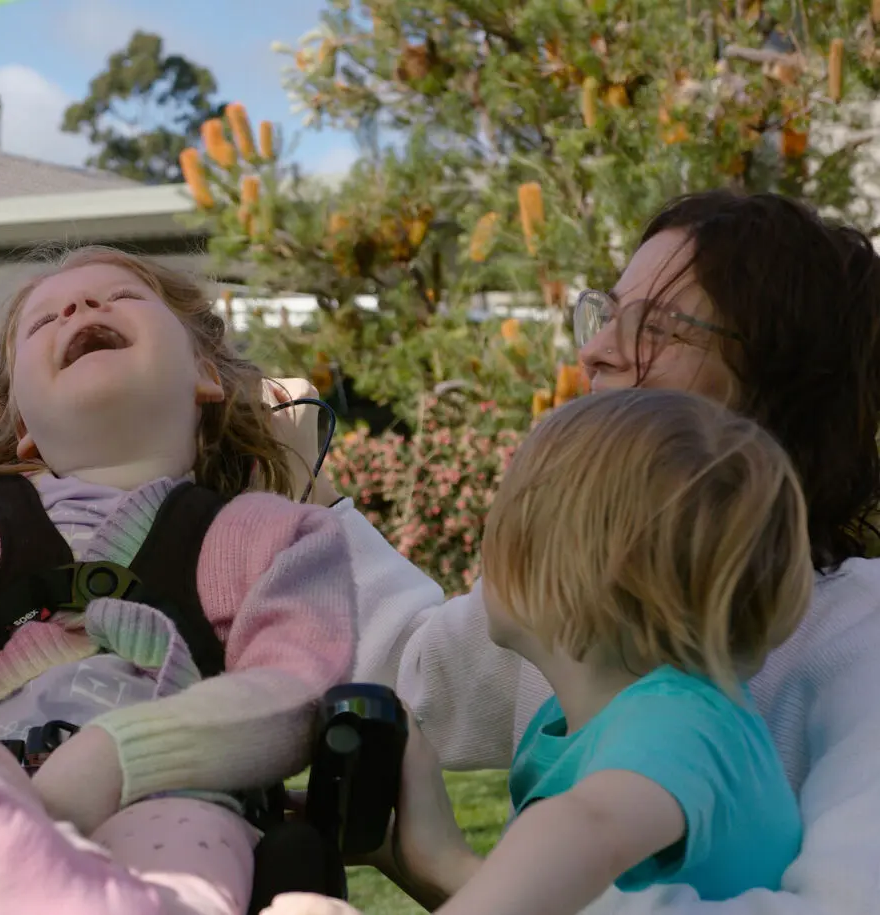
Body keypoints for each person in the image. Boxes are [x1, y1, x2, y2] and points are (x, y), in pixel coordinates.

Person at [302, 190, 880, 914]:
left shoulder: (829, 647)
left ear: (781, 378)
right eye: (605, 312)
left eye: (657, 328)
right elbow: (407, 665)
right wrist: (304, 501)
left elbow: (588, 828)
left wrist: (460, 872)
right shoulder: (587, 601)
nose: (594, 349)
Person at [0, 246, 360, 915]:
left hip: (168, 792)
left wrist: (113, 755)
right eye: (43, 320)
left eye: (119, 297)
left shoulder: (268, 532)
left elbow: (293, 692)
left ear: (204, 374)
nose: (81, 308)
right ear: (22, 423)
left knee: (187, 859)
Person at [277, 387, 814, 915]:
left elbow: (589, 825)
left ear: (572, 573)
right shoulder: (576, 721)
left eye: (508, 512)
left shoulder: (681, 719)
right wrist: (407, 854)